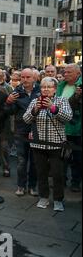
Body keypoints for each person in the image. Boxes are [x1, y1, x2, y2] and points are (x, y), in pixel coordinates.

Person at [23, 77, 73, 212]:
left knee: (58, 174)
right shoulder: (35, 101)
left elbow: (68, 117)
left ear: (55, 89)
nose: (45, 89)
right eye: (43, 87)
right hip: (38, 144)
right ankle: (43, 197)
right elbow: (26, 119)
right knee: (41, 173)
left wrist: (53, 108)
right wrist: (35, 110)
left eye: (49, 87)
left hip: (56, 144)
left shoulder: (62, 101)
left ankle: (58, 199)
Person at [5, 68, 41, 196]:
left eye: (28, 77)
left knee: (35, 160)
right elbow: (10, 111)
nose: (25, 80)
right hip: (21, 129)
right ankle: (21, 185)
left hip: (37, 129)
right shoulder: (17, 91)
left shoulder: (40, 90)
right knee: (21, 160)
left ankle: (32, 186)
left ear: (34, 78)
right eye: (23, 77)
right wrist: (8, 102)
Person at [56, 64, 82, 193]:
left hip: (77, 127)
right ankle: (61, 180)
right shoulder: (61, 85)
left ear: (78, 74)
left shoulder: (80, 87)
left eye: (69, 72)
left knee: (77, 157)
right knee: (61, 156)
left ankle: (75, 182)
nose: (65, 74)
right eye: (64, 72)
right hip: (62, 126)